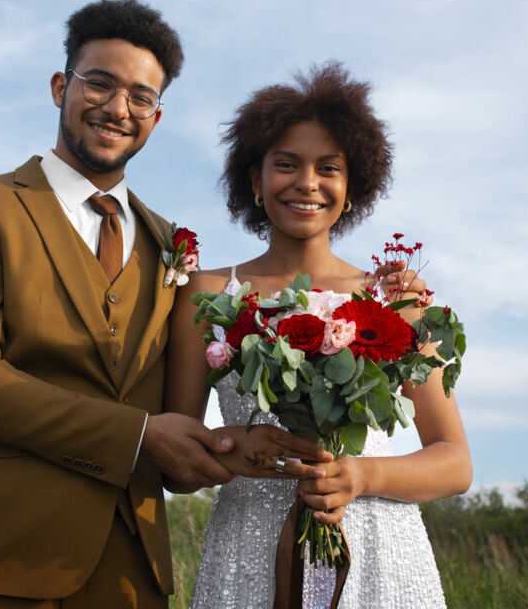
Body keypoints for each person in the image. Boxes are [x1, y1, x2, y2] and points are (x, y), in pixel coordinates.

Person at [0, 0, 371, 609]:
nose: (118, 108)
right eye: (100, 83)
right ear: (59, 87)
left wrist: (232, 446)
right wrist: (141, 436)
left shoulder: (172, 247)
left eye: (141, 97)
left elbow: (174, 418)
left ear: (156, 115)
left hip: (131, 575)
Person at [165, 63, 472, 609]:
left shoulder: (396, 298)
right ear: (255, 181)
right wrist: (241, 453)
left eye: (328, 167)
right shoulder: (205, 293)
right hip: (246, 553)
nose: (307, 182)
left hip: (378, 550)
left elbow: (454, 462)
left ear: (352, 186)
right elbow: (176, 459)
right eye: (286, 164)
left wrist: (359, 474)